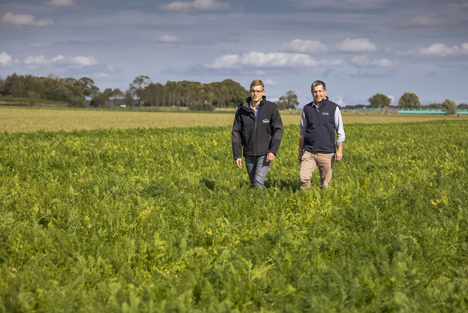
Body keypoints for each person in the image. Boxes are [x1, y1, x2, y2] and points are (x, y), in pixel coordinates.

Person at [232, 79, 284, 189]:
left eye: (258, 91)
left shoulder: (271, 108)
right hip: (249, 153)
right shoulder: (242, 110)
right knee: (253, 184)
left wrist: (273, 151)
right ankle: (254, 205)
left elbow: (279, 130)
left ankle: (259, 203)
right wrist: (237, 155)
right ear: (250, 91)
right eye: (253, 91)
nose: (255, 94)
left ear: (263, 93)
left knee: (257, 183)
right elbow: (236, 132)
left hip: (264, 153)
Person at [298, 80, 345, 189]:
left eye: (320, 91)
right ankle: (306, 200)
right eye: (315, 92)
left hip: (327, 152)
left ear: (325, 91)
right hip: (309, 152)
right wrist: (300, 151)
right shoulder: (307, 109)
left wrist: (339, 150)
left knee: (325, 185)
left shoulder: (333, 108)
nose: (317, 94)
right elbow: (303, 131)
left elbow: (340, 131)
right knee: (303, 178)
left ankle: (322, 203)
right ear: (311, 93)